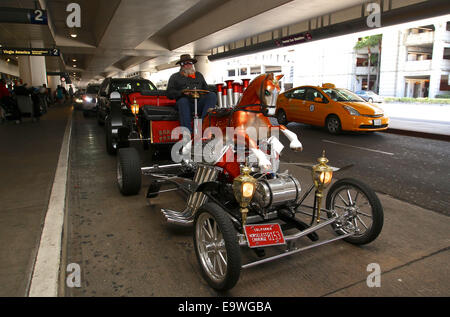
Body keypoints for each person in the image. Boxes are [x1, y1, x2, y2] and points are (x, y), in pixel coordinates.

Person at [167, 54, 217, 133]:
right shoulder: (174, 77)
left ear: (192, 64)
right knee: (183, 101)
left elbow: (206, 89)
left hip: (199, 102)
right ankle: (187, 133)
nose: (187, 65)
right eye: (184, 63)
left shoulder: (199, 75)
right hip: (184, 104)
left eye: (189, 63)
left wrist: (201, 93)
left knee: (212, 95)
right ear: (181, 65)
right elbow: (169, 93)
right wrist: (182, 93)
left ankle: (204, 125)